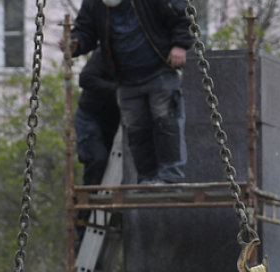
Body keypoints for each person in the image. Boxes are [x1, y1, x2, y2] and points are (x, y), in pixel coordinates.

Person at [67, 0, 193, 185]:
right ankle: (147, 179)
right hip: (127, 79)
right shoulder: (95, 3)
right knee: (137, 132)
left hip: (159, 69)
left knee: (166, 122)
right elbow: (86, 29)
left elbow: (180, 13)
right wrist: (75, 44)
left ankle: (170, 177)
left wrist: (180, 44)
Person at [76, 49, 121, 187]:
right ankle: (87, 205)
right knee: (97, 159)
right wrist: (118, 91)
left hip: (115, 122)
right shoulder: (106, 52)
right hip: (90, 116)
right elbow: (85, 78)